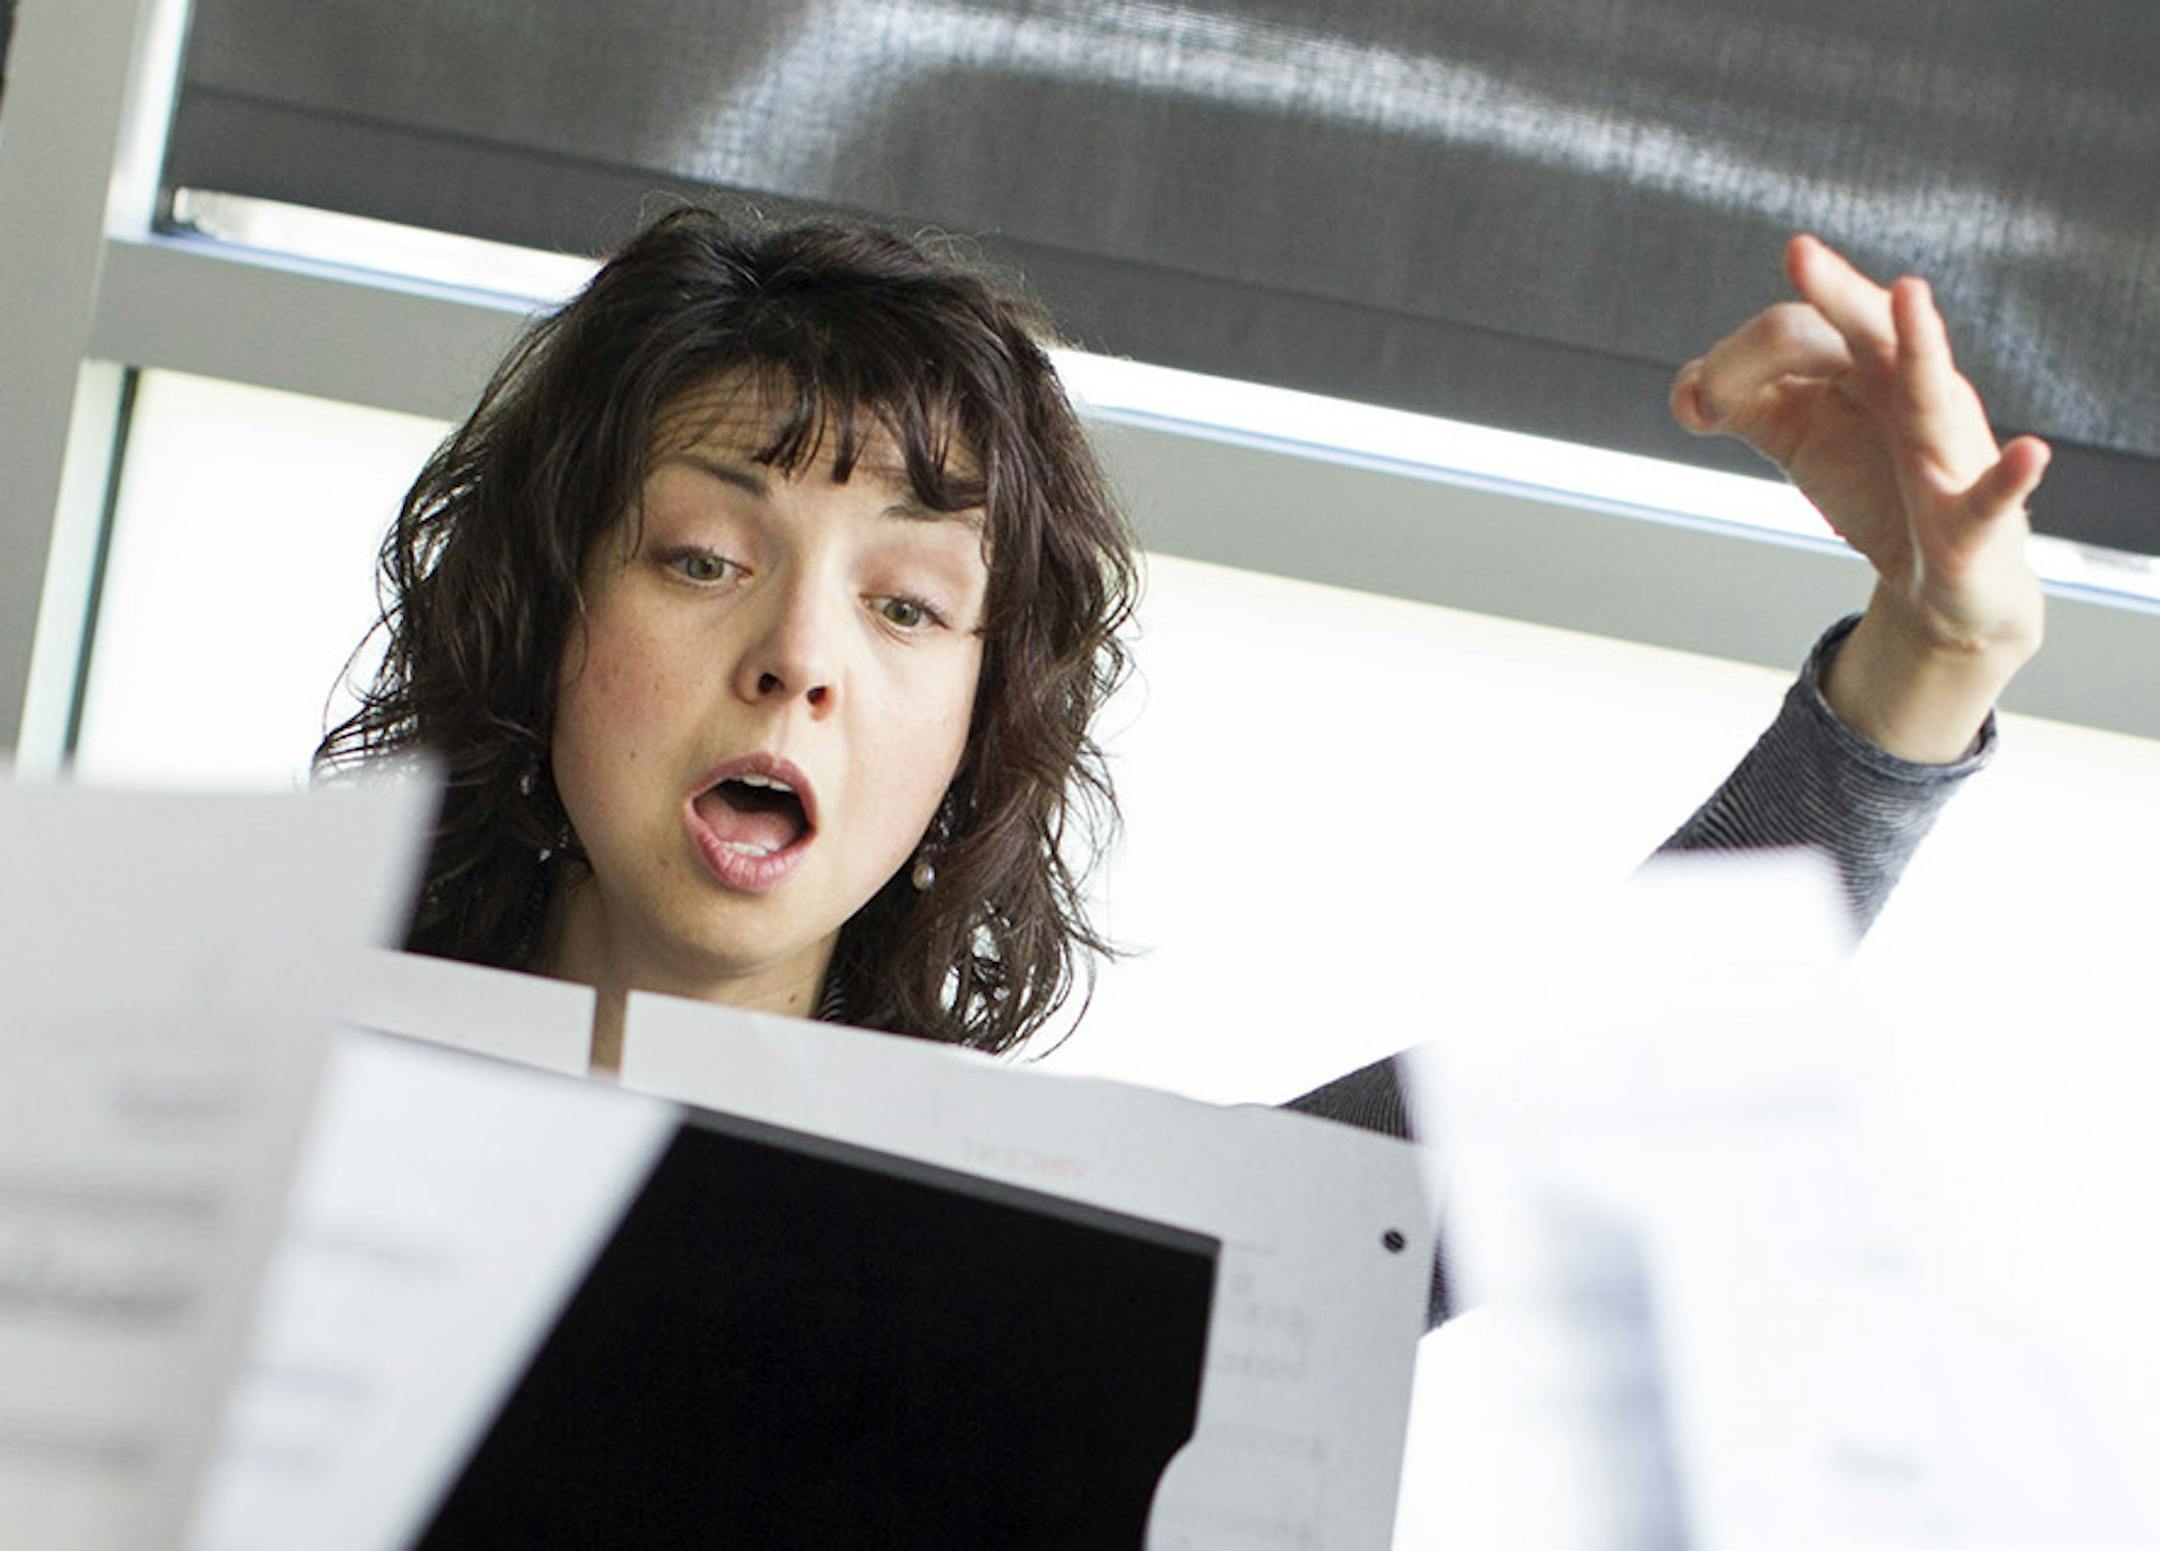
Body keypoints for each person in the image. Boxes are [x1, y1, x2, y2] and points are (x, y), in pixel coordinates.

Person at [319, 211, 2047, 1279]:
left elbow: (1565, 1113)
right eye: (705, 560)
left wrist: (1928, 657)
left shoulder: (1037, 1249)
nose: (796, 661)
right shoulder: (180, 1087)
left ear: (973, 751)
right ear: (540, 618)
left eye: (908, 608)